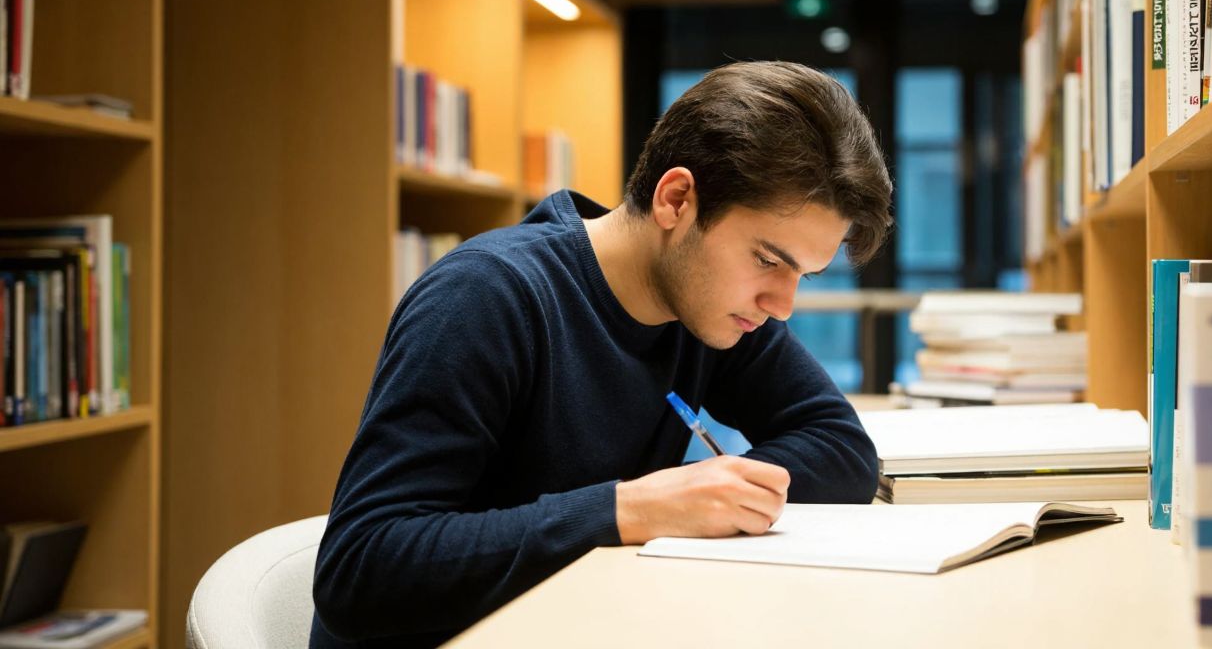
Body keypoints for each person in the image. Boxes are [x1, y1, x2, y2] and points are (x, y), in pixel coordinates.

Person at [310, 61, 894, 648]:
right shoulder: (486, 296)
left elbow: (842, 450)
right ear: (677, 199)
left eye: (804, 275)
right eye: (768, 260)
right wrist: (632, 510)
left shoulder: (714, 305)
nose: (783, 304)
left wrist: (693, 497)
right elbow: (361, 569)